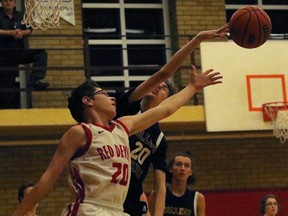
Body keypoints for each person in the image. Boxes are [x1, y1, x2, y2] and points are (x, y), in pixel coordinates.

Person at [12, 65, 222, 216]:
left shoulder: (123, 127)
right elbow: (48, 178)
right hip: (89, 208)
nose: (112, 97)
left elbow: (165, 109)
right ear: (88, 101)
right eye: (103, 93)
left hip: (118, 210)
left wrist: (193, 87)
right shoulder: (79, 132)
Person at [116, 23, 229, 216]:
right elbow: (164, 73)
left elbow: (160, 186)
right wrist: (197, 39)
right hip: (108, 189)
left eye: (165, 88)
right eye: (157, 84)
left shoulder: (158, 138)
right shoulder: (128, 106)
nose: (159, 86)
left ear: (169, 99)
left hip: (131, 198)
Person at [0, 0, 49, 109]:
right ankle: (6, 114)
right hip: (3, 54)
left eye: (11, 0)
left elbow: (29, 30)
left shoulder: (20, 15)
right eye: (5, 1)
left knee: (41, 54)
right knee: (7, 88)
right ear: (1, 3)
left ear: (14, 2)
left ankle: (35, 80)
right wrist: (11, 33)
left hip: (18, 51)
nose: (8, 3)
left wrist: (22, 33)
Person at [149, 151, 206, 216]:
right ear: (170, 169)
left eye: (186, 166)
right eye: (178, 164)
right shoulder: (156, 195)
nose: (182, 168)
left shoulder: (198, 198)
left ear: (191, 172)